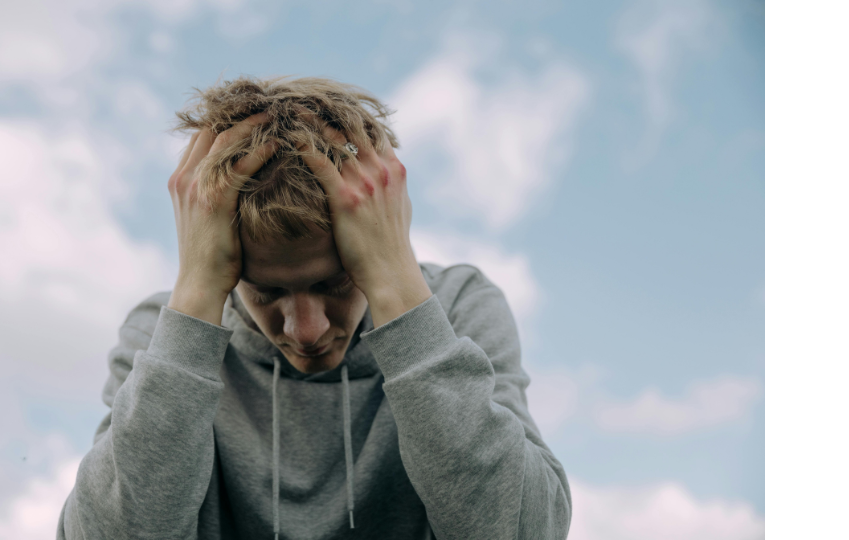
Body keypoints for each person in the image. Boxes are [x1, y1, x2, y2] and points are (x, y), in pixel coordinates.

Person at [57, 76, 572, 539]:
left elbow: (525, 531)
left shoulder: (458, 306)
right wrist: (194, 295)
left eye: (336, 283)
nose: (306, 330)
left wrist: (397, 288)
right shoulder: (163, 335)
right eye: (265, 292)